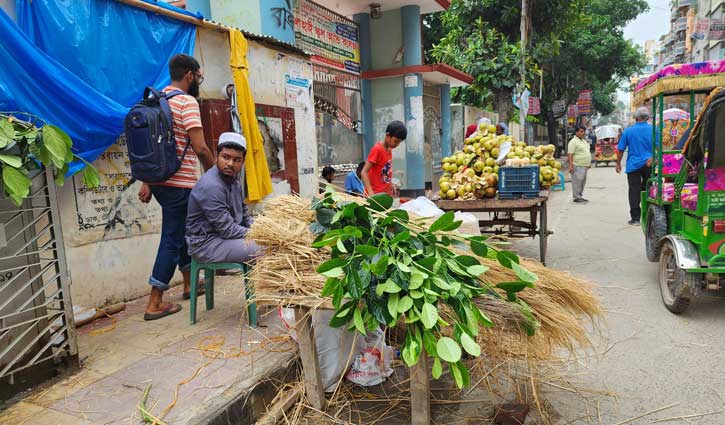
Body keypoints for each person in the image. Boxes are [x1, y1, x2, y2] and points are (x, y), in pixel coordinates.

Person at [138, 54, 215, 321]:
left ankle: (190, 284)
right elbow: (200, 148)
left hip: (160, 182)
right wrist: (215, 174)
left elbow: (152, 146)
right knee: (172, 238)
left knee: (181, 232)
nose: (198, 83)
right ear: (190, 75)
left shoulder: (156, 101)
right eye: (198, 77)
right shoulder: (186, 102)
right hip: (181, 184)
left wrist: (147, 181)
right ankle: (155, 302)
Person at [186, 132, 262, 267]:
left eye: (237, 160)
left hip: (224, 238)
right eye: (225, 157)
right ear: (217, 156)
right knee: (265, 249)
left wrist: (265, 228)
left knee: (273, 243)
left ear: (243, 162)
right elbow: (227, 230)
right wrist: (261, 234)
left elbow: (244, 217)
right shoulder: (211, 185)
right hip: (206, 244)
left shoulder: (234, 180)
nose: (230, 164)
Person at [616, 107, 654, 226]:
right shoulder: (654, 129)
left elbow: (620, 149)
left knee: (634, 191)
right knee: (649, 189)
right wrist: (654, 158)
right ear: (647, 118)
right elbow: (660, 147)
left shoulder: (628, 131)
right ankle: (649, 215)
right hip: (649, 164)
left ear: (636, 118)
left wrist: (618, 163)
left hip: (633, 165)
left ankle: (636, 218)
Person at [361, 121, 407, 196]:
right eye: (395, 141)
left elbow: (385, 171)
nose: (397, 145)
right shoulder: (377, 149)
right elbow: (364, 172)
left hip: (385, 195)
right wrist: (370, 193)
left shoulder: (389, 150)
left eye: (399, 142)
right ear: (388, 135)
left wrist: (390, 184)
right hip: (375, 196)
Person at [568, 125, 592, 203]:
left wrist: (589, 163)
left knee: (582, 182)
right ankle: (576, 197)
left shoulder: (583, 141)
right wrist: (571, 165)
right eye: (581, 131)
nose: (583, 133)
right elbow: (570, 154)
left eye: (584, 131)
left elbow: (587, 151)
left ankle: (580, 196)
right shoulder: (573, 142)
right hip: (577, 164)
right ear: (576, 132)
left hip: (585, 165)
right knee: (577, 181)